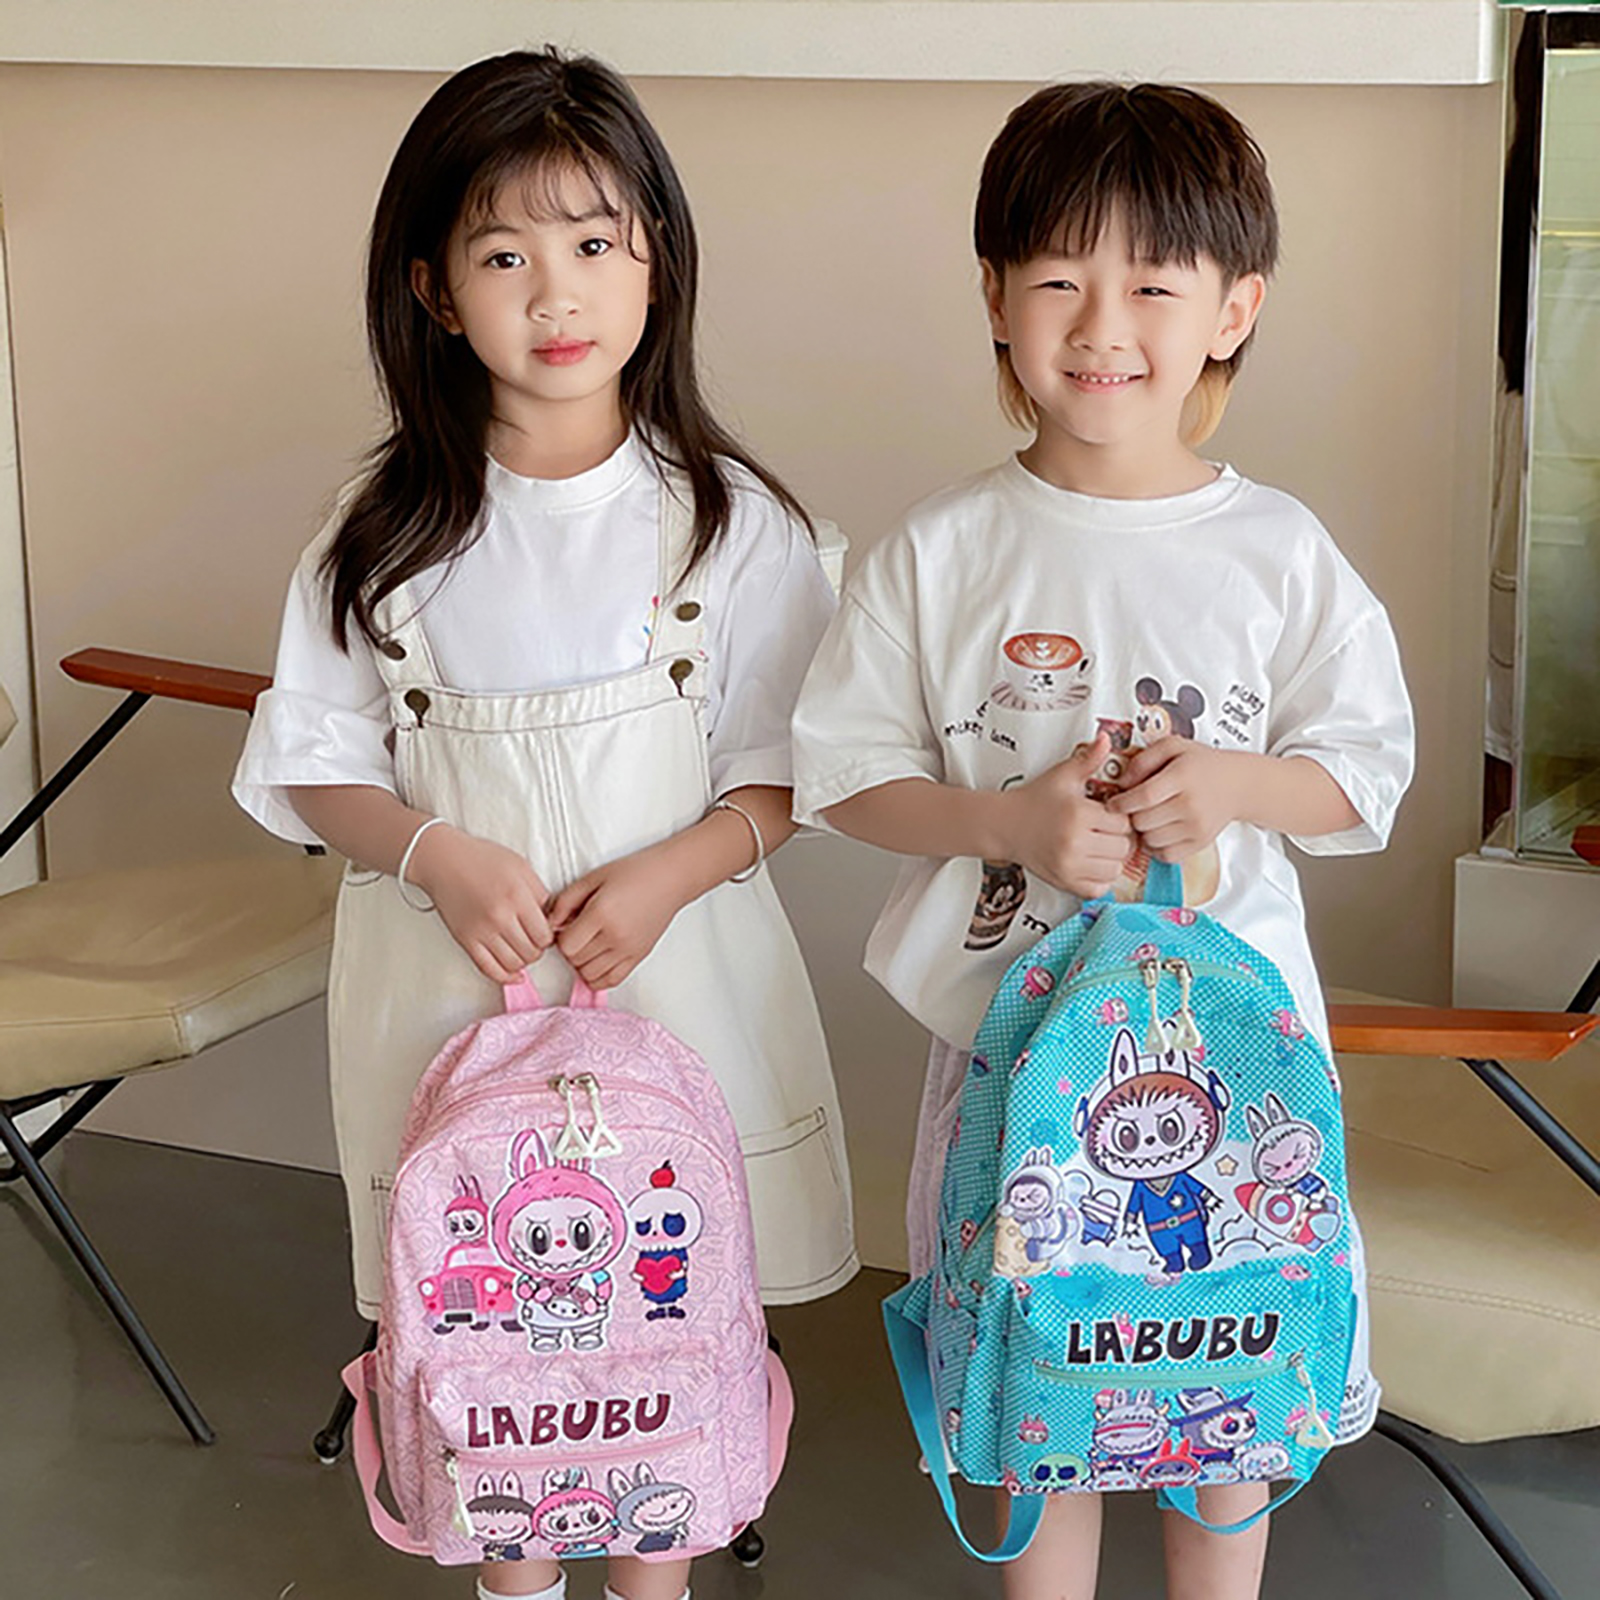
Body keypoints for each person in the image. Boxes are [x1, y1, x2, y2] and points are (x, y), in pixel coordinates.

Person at [232, 48, 857, 1600]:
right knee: (494, 1336)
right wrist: (431, 852)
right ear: (435, 292)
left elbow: (798, 768)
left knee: (665, 1339)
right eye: (504, 255)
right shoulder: (381, 533)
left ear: (659, 260)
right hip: (444, 1002)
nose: (556, 291)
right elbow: (313, 763)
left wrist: (674, 871)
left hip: (679, 987)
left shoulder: (731, 522)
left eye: (593, 242)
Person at [791, 81, 1413, 1600]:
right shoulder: (940, 549)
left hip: (1240, 1054)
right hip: (1012, 1056)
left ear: (1233, 309)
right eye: (1059, 280)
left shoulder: (1276, 552)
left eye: (1153, 285)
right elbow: (844, 780)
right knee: (1037, 1385)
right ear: (996, 298)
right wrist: (1009, 822)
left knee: (1232, 1392)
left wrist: (1238, 787)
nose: (1101, 325)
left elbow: (1365, 778)